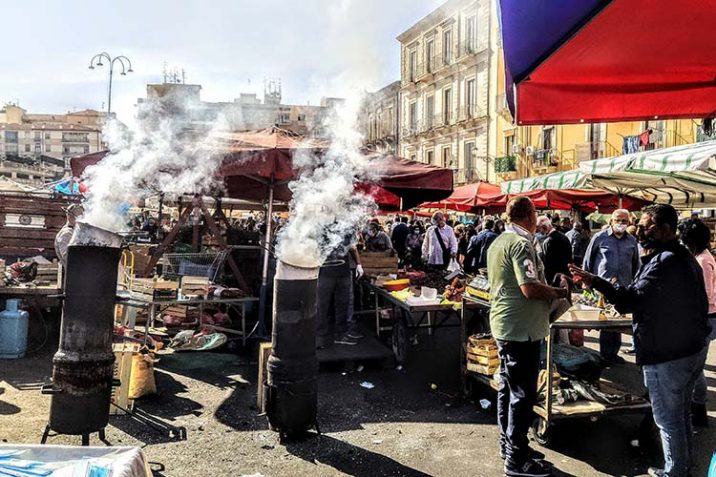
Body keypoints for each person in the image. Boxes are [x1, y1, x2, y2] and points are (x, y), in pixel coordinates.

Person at [570, 204, 710, 477]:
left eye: (647, 227)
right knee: (679, 416)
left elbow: (629, 300)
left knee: (669, 419)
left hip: (669, 353)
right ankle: (682, 467)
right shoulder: (677, 257)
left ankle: (675, 472)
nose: (640, 231)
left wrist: (596, 282)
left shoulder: (666, 261)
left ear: (666, 230)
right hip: (687, 348)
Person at [488, 196, 569, 477]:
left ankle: (511, 445)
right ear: (530, 216)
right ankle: (516, 460)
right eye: (536, 213)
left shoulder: (499, 241)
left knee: (508, 390)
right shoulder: (521, 244)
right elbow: (530, 288)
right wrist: (558, 293)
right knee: (522, 395)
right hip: (521, 329)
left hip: (507, 325)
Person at [582, 209, 640, 364]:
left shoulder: (632, 241)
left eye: (624, 221)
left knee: (619, 320)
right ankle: (606, 354)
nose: (621, 224)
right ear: (611, 221)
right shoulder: (599, 237)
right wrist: (586, 282)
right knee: (606, 322)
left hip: (624, 286)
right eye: (618, 220)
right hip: (603, 287)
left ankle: (613, 353)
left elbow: (636, 265)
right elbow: (588, 261)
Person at [677, 218, 716, 427]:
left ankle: (698, 409)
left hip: (704, 318)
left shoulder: (703, 261)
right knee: (695, 367)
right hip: (701, 317)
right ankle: (697, 408)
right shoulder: (700, 257)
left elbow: (706, 295)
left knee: (695, 368)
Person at [317, 237, 364, 348]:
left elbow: (353, 248)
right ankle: (319, 337)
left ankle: (341, 334)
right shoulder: (321, 228)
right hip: (325, 274)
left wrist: (359, 265)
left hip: (343, 274)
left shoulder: (345, 229)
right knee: (322, 306)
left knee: (342, 304)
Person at [536, 215, 573, 285]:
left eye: (538, 228)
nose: (538, 231)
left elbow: (547, 265)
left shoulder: (548, 241)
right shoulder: (564, 237)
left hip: (554, 280)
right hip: (566, 277)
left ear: (544, 227)